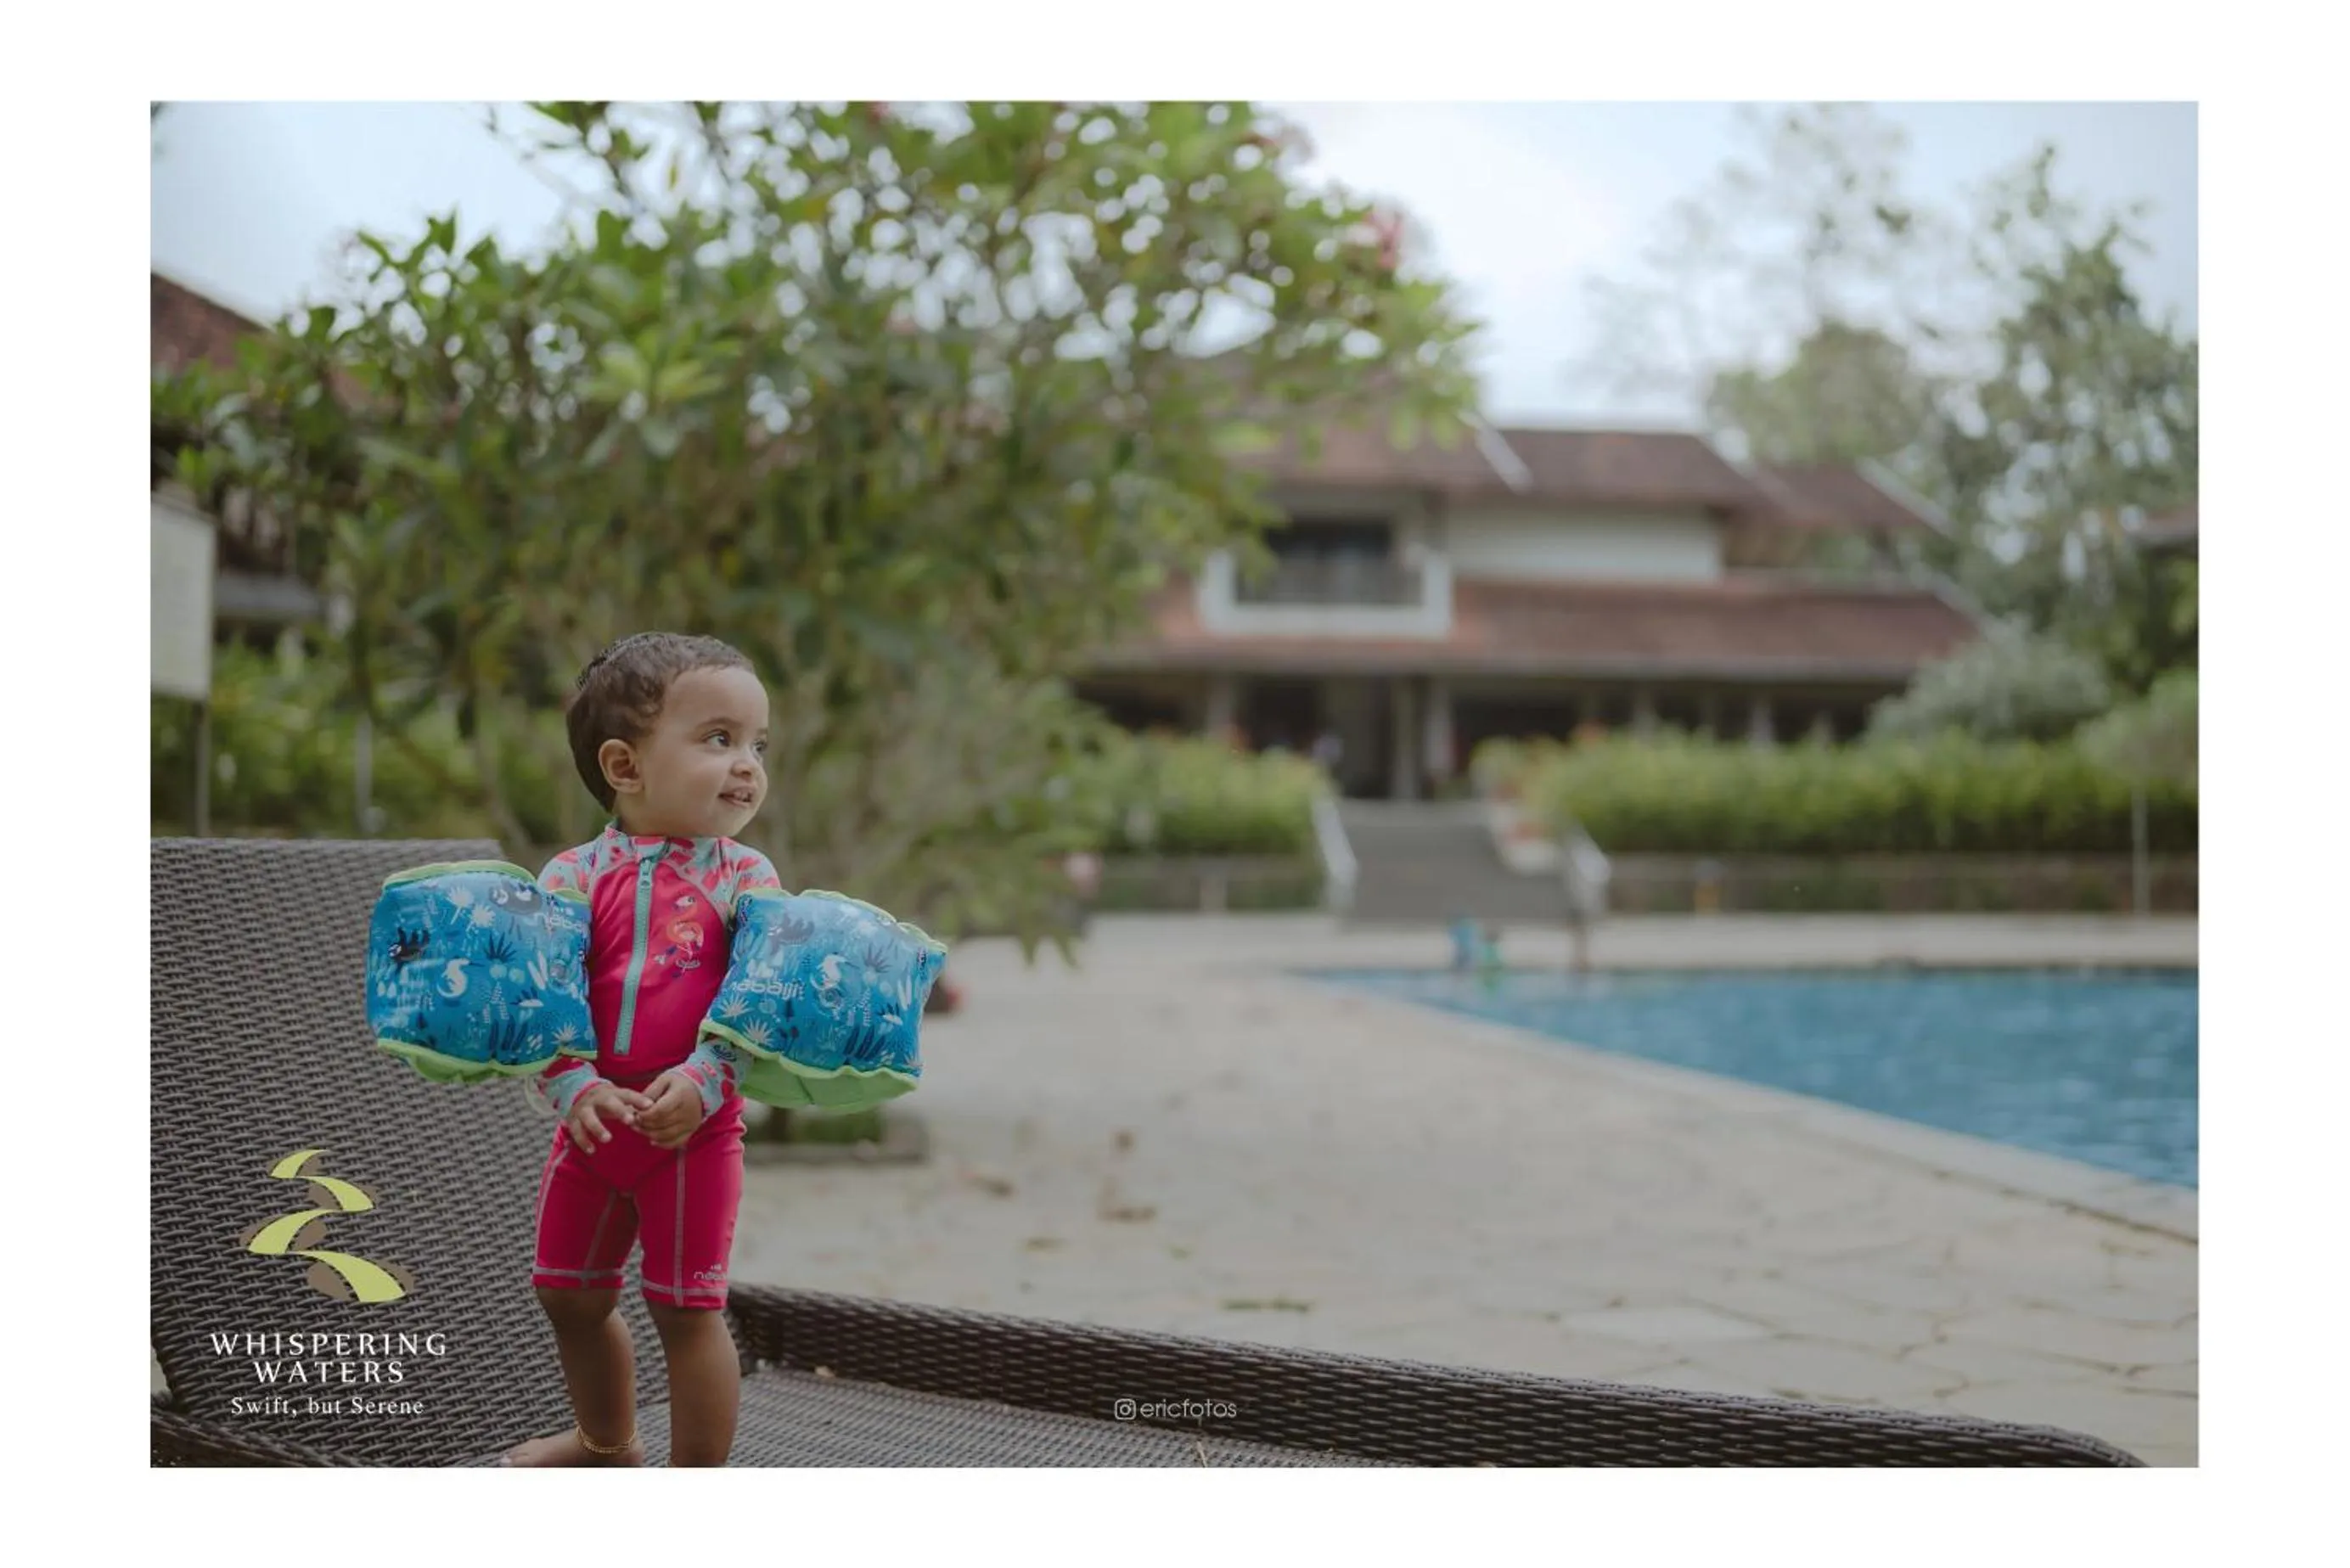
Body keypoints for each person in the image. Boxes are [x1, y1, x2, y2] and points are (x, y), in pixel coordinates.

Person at [502, 632, 784, 1468]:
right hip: (593, 1122)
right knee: (567, 1293)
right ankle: (606, 1445)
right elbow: (544, 998)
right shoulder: (572, 876)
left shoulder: (746, 879)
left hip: (693, 1129)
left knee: (686, 1308)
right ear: (625, 766)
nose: (747, 764)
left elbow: (757, 999)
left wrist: (707, 1078)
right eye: (719, 738)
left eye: (758, 745)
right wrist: (573, 1085)